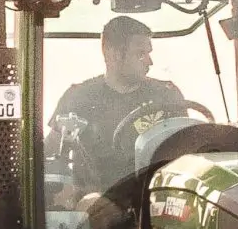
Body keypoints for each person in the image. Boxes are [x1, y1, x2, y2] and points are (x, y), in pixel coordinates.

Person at [50, 15, 188, 197]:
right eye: (140, 54)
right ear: (112, 54)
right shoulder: (78, 98)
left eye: (149, 53)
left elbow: (189, 151)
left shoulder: (167, 95)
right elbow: (49, 154)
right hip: (97, 205)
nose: (149, 62)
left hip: (157, 199)